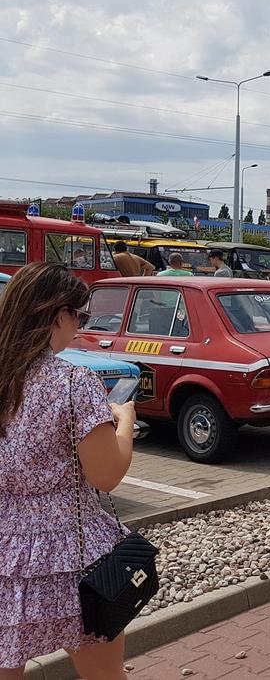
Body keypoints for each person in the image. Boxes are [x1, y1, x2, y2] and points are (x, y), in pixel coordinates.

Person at [0, 262, 137, 678]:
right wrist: (125, 422)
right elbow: (106, 475)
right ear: (59, 314)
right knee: (103, 674)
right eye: (81, 315)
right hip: (70, 555)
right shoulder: (72, 382)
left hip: (5, 552)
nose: (80, 326)